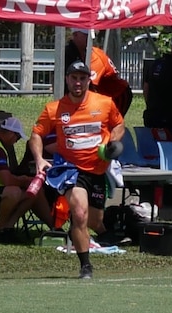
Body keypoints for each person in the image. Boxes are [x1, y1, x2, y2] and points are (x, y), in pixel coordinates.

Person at [30, 61, 125, 280]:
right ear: (67, 79)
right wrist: (39, 159)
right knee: (79, 214)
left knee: (94, 221)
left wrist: (112, 143)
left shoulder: (105, 103)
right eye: (73, 78)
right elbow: (36, 135)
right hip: (71, 170)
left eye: (82, 78)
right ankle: (85, 266)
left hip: (98, 171)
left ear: (89, 80)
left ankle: (86, 239)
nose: (78, 82)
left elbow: (119, 125)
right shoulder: (54, 108)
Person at [64, 29, 133, 116]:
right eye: (86, 35)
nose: (89, 39)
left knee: (105, 123)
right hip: (99, 92)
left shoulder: (95, 57)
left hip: (116, 95)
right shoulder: (68, 53)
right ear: (75, 34)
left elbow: (90, 88)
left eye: (90, 36)